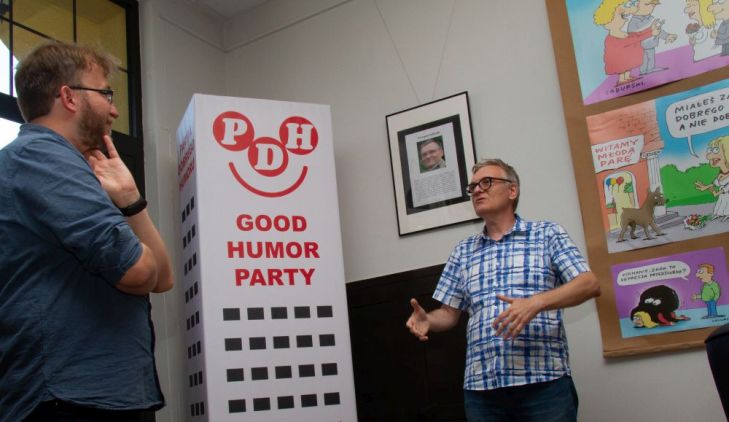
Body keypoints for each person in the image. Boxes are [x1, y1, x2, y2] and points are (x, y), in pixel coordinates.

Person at [0, 42, 173, 422]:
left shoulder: (65, 166)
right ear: (69, 97)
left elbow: (163, 278)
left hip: (97, 396)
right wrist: (141, 262)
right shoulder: (43, 159)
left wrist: (130, 200)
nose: (114, 109)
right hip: (67, 401)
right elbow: (139, 272)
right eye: (106, 94)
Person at [406, 158, 600, 421]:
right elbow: (448, 314)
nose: (477, 190)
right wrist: (428, 320)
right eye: (472, 186)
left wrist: (535, 303)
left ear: (512, 190)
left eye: (486, 182)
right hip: (482, 391)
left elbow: (589, 283)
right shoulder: (463, 251)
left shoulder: (546, 234)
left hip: (544, 384)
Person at [594, 0, 657, 86]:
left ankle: (627, 77)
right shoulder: (612, 38)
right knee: (622, 67)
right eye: (622, 16)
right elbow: (633, 39)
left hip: (627, 58)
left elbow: (636, 34)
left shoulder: (623, 33)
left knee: (627, 65)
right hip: (620, 60)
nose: (626, 19)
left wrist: (650, 29)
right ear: (608, 21)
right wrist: (651, 33)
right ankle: (622, 79)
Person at [627, 0, 677, 75]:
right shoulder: (634, 22)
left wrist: (667, 36)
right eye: (647, 5)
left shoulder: (650, 18)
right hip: (641, 46)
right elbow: (632, 36)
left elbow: (658, 30)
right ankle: (643, 70)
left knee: (651, 57)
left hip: (651, 44)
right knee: (644, 59)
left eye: (653, 6)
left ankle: (650, 69)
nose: (651, 8)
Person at [694, 136, 729, 221]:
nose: (708, 156)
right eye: (710, 150)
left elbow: (726, 188)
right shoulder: (721, 173)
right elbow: (715, 183)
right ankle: (719, 214)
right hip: (722, 195)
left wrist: (717, 193)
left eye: (716, 150)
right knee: (720, 203)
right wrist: (705, 187)